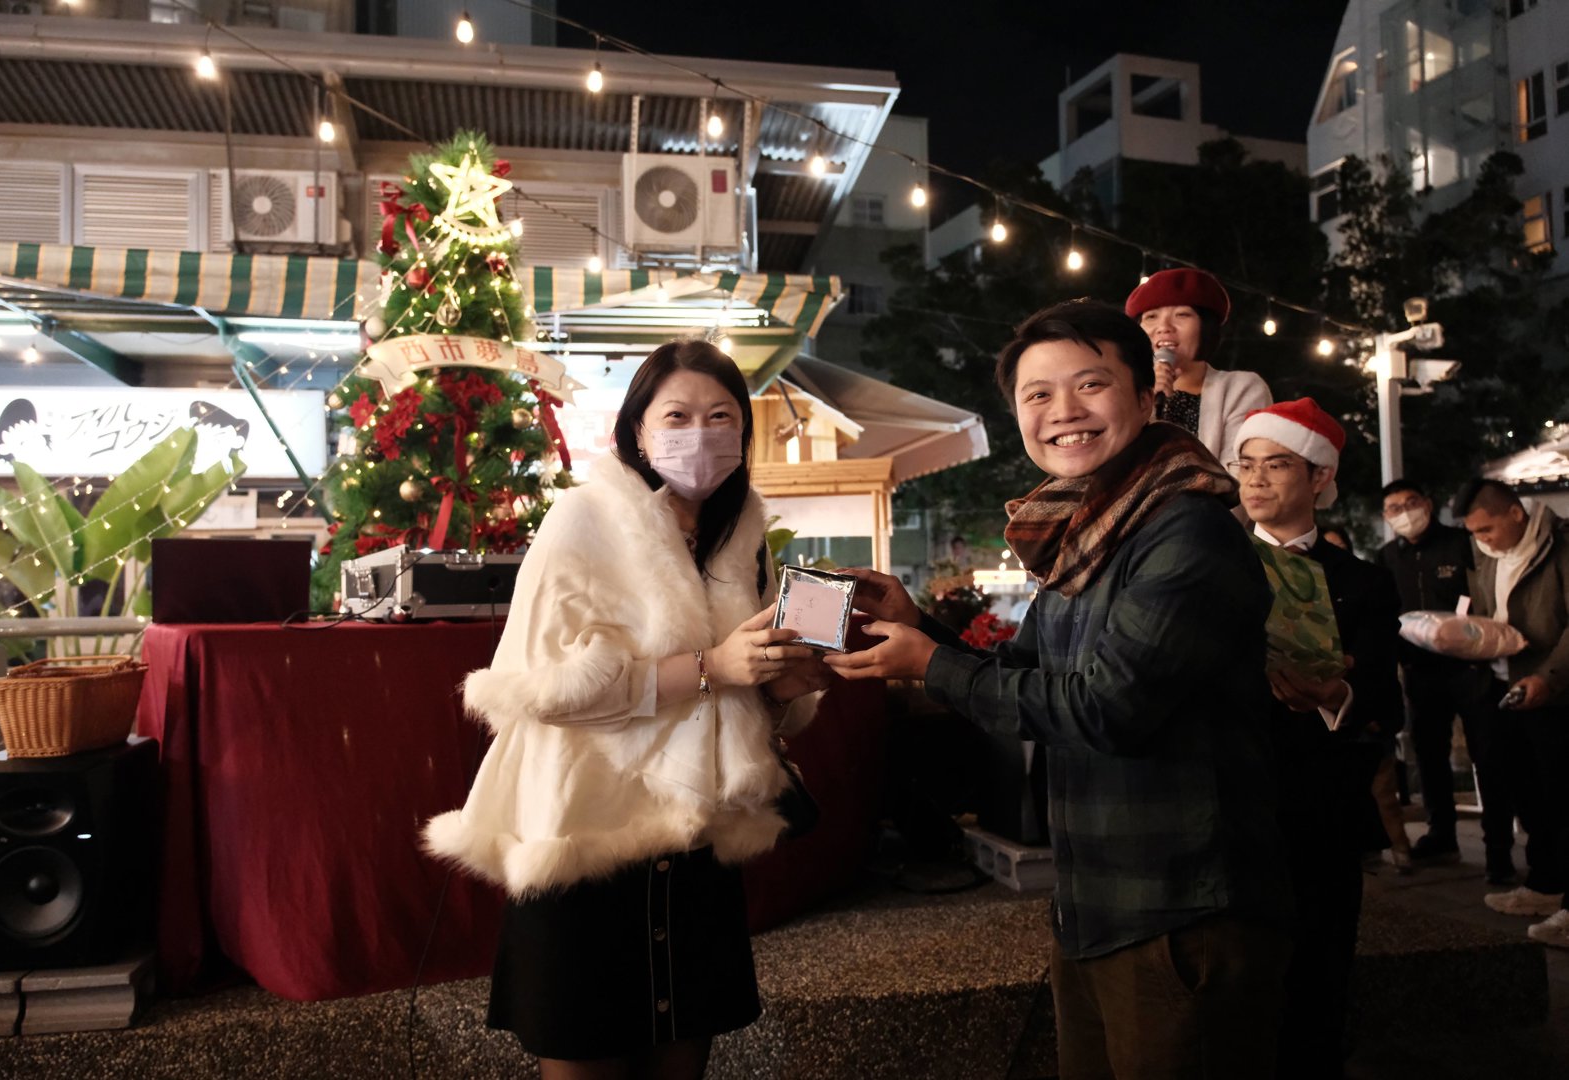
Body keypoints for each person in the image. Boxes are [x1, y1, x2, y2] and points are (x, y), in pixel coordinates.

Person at [826, 299, 1293, 1080]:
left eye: (1090, 384)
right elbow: (1028, 679)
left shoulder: (1186, 531)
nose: (1063, 412)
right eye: (1037, 394)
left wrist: (930, 665)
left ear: (1146, 396)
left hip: (1183, 911)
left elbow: (1106, 708)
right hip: (1096, 906)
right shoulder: (1090, 534)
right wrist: (920, 628)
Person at [424, 340, 833, 1079]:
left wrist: (780, 684)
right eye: (677, 415)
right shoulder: (581, 519)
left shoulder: (741, 534)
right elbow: (546, 691)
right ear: (636, 429)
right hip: (587, 841)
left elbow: (743, 695)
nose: (701, 433)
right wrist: (713, 667)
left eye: (721, 416)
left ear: (744, 432)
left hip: (697, 846)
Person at [1233, 399, 1405, 1079]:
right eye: (1246, 464)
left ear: (1320, 478)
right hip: (1226, 800)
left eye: (1276, 465)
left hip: (1322, 805)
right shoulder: (1210, 566)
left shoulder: (1364, 582)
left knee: (1321, 965)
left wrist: (1336, 695)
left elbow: (1385, 698)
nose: (1256, 479)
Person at [1454, 479, 1569, 948]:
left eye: (1487, 529)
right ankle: (1545, 884)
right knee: (1527, 792)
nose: (1482, 540)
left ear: (1515, 514)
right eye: (1474, 533)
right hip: (1501, 687)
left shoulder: (1560, 546)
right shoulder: (1486, 554)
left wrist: (1549, 678)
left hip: (1553, 691)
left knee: (1562, 796)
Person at [1377, 479, 1503, 877]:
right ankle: (1441, 837)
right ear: (1385, 516)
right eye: (1394, 508)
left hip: (1469, 669)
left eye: (1411, 502)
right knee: (1430, 756)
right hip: (1420, 672)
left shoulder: (1461, 543)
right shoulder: (1387, 557)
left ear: (1427, 504)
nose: (1405, 513)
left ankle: (1498, 849)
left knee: (1488, 756)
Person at [1125, 267, 1272, 463]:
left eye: (1182, 315)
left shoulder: (1241, 388)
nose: (1164, 327)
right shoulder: (1124, 389)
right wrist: (1145, 402)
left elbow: (1239, 470)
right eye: (1151, 317)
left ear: (1206, 327)